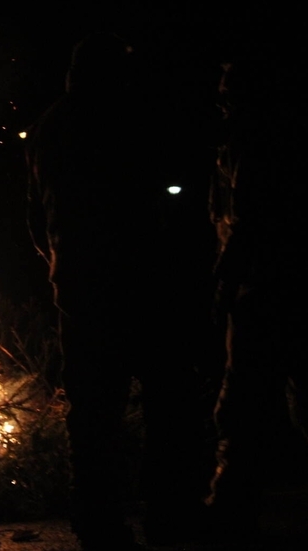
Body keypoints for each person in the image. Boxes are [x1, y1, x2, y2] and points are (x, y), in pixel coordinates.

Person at [25, 32, 217, 549]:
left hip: (82, 290)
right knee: (168, 403)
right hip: (143, 286)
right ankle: (169, 515)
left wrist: (62, 268)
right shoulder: (129, 119)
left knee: (93, 413)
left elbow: (35, 215)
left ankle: (98, 521)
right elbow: (159, 201)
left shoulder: (50, 126)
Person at [204, 60, 308, 537]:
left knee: (247, 407)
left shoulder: (257, 142)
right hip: (299, 289)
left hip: (271, 291)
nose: (222, 103)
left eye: (229, 94)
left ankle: (234, 510)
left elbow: (247, 222)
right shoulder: (278, 138)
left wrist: (223, 287)